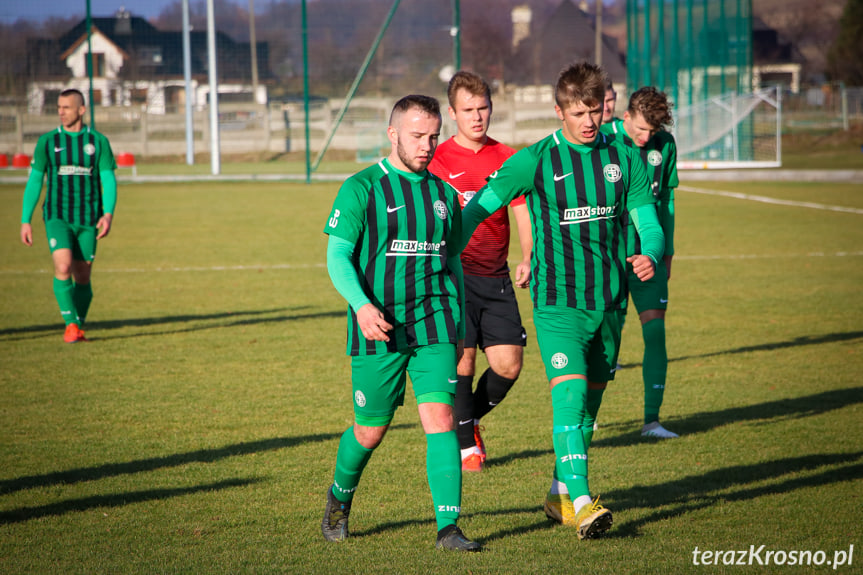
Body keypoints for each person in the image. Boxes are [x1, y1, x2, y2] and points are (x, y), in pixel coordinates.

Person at [460, 62, 664, 540]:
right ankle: (582, 502)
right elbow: (479, 208)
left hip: (610, 302)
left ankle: (557, 493)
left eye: (595, 110)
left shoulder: (624, 156)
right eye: (578, 112)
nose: (590, 121)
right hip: (557, 303)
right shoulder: (535, 160)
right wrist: (444, 253)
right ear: (559, 112)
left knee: (588, 409)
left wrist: (650, 253)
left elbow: (647, 219)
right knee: (568, 398)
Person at [320, 94, 480, 552]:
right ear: (392, 135)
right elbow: (337, 255)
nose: (427, 145)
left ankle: (448, 528)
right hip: (378, 326)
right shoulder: (362, 187)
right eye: (417, 136)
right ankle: (339, 498)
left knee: (441, 419)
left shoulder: (443, 196)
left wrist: (460, 323)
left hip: (433, 322)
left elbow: (452, 262)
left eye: (433, 136)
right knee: (371, 429)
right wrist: (361, 306)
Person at [427, 71, 532, 473]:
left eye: (483, 108)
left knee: (509, 365)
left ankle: (464, 423)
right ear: (452, 113)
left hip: (496, 277)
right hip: (453, 277)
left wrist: (528, 256)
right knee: (463, 362)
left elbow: (521, 211)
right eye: (468, 110)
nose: (477, 116)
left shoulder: (509, 158)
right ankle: (465, 443)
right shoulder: (436, 160)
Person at [600, 86, 679, 439]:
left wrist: (667, 251)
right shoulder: (603, 140)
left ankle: (652, 421)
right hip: (610, 258)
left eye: (654, 131)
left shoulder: (666, 145)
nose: (646, 138)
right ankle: (590, 415)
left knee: (655, 333)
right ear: (626, 116)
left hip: (649, 258)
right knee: (604, 343)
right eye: (641, 129)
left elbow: (667, 204)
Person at [20, 88, 118, 343]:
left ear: (81, 110)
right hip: (57, 215)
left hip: (88, 217)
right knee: (62, 266)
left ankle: (78, 325)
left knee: (83, 275)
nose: (61, 112)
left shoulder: (98, 142)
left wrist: (107, 215)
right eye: (59, 108)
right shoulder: (48, 142)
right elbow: (34, 181)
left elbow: (108, 179)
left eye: (66, 107)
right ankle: (71, 326)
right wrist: (25, 219)